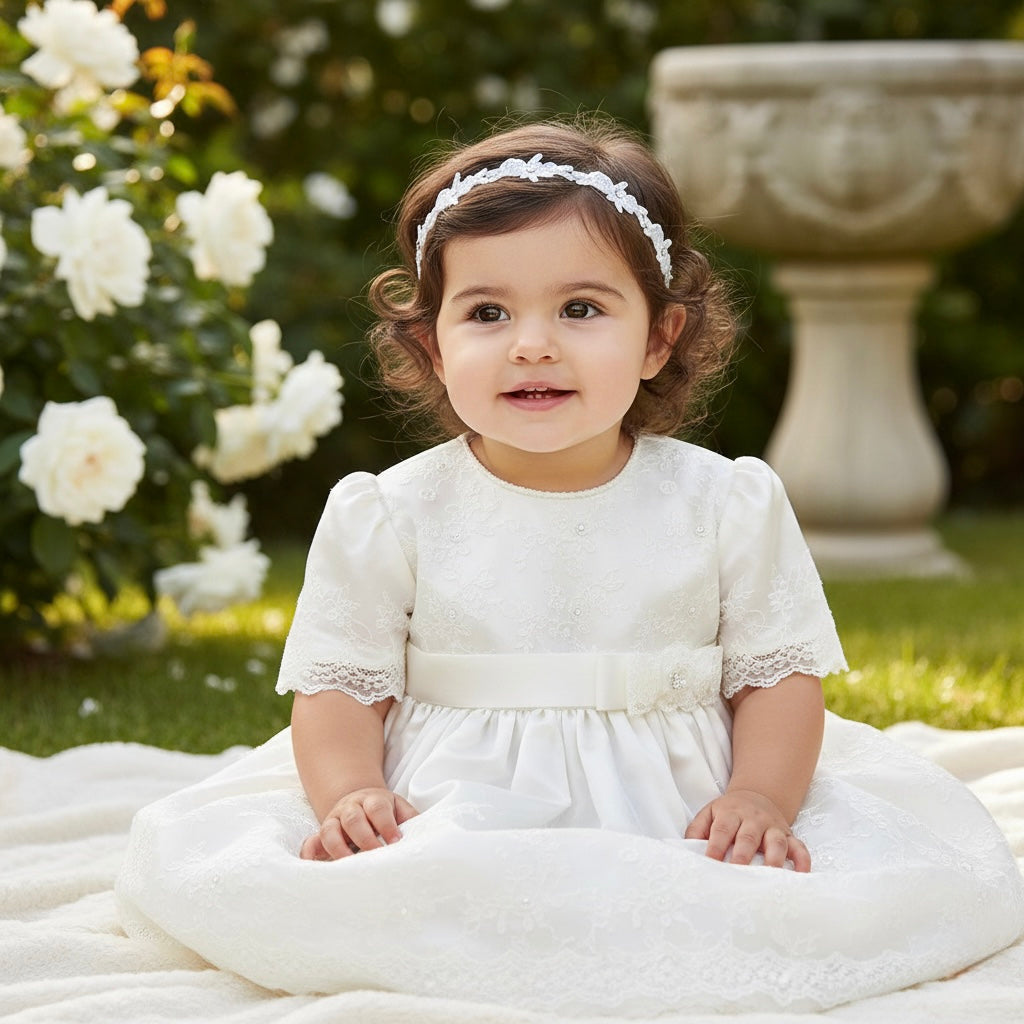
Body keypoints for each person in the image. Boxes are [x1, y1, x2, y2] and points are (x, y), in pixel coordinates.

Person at [117, 117, 1024, 1017]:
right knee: (415, 914)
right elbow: (341, 686)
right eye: (487, 313)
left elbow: (776, 677)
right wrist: (352, 791)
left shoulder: (724, 502)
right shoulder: (390, 512)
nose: (532, 344)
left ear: (660, 338)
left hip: (678, 796)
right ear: (434, 343)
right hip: (457, 793)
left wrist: (759, 794)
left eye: (581, 309)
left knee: (792, 904)